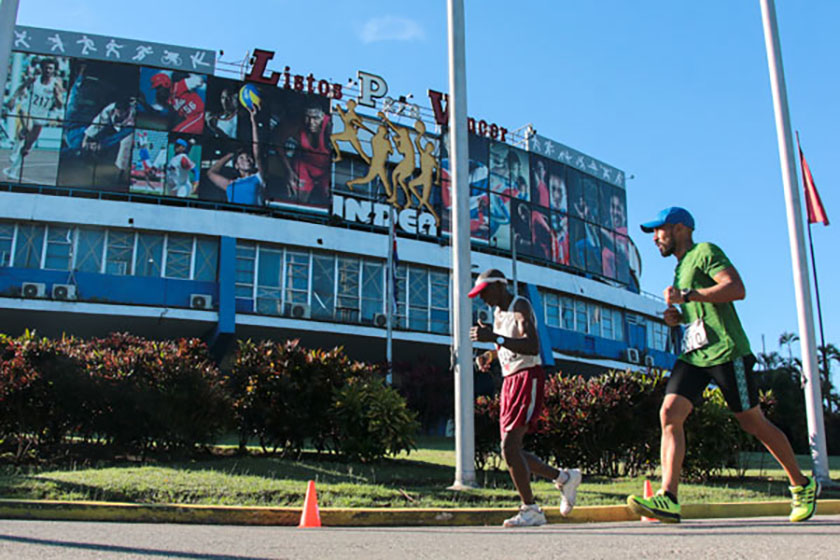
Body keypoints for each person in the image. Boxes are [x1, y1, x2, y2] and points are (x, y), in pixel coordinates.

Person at [627, 207, 819, 524]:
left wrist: (687, 296)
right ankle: (669, 498)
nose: (655, 239)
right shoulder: (679, 268)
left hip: (726, 351)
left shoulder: (705, 252)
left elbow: (735, 288)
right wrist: (676, 316)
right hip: (695, 355)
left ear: (679, 229)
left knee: (752, 422)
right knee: (670, 413)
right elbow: (697, 310)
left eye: (658, 231)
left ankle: (802, 485)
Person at [469, 269, 582, 527]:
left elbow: (531, 345)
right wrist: (491, 355)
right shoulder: (498, 314)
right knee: (513, 451)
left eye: (484, 292)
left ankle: (531, 509)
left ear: (499, 286)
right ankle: (564, 478)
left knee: (509, 447)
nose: (483, 298)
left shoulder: (520, 304)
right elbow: (508, 343)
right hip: (510, 380)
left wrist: (494, 337)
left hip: (527, 377)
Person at [3, 57, 65, 179]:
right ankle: (15, 150)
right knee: (28, 127)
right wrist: (13, 99)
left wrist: (57, 95)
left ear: (54, 70)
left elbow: (59, 105)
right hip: (27, 109)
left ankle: (13, 170)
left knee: (27, 148)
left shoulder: (56, 84)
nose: (48, 70)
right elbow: (21, 88)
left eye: (50, 68)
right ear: (41, 68)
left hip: (41, 116)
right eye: (46, 67)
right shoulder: (34, 79)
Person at [207, 104, 265, 206]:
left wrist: (253, 121)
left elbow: (257, 150)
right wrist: (232, 154)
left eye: (248, 157)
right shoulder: (231, 184)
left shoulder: (259, 177)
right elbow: (211, 173)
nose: (246, 159)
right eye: (241, 158)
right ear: (236, 166)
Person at [283, 104, 331, 204]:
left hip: (326, 169)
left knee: (331, 200)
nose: (311, 122)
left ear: (323, 117)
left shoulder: (330, 127)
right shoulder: (298, 126)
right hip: (305, 166)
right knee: (298, 202)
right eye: (308, 117)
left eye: (315, 118)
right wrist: (289, 170)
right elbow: (276, 141)